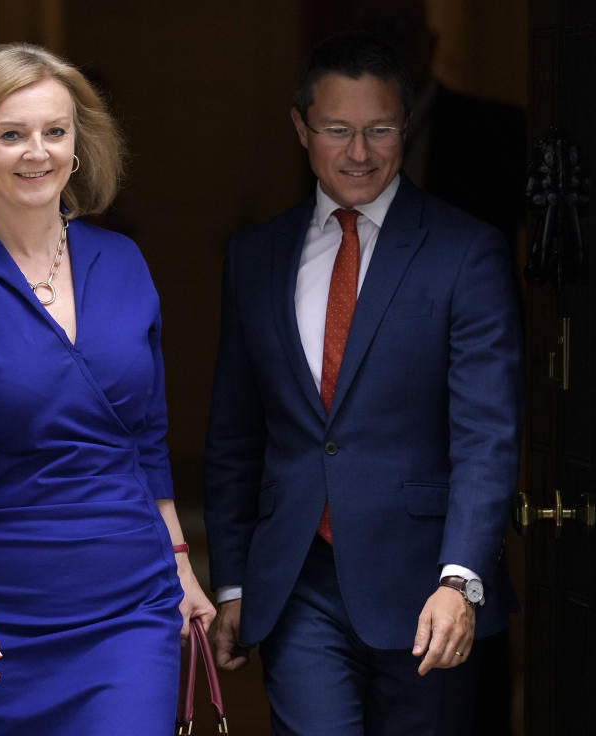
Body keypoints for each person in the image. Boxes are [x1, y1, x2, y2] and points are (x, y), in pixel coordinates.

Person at [203, 31, 523, 735]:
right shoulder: (255, 257)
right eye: (337, 130)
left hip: (425, 588)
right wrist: (231, 581)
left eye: (379, 130)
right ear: (300, 128)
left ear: (404, 127)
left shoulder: (465, 252)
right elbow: (233, 434)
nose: (358, 152)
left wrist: (460, 578)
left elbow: (486, 435)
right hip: (298, 583)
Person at [0, 42, 214, 736]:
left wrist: (181, 563)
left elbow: (147, 440)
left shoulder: (123, 262)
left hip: (132, 604)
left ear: (77, 145)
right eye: (11, 134)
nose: (36, 152)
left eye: (54, 131)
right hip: (3, 616)